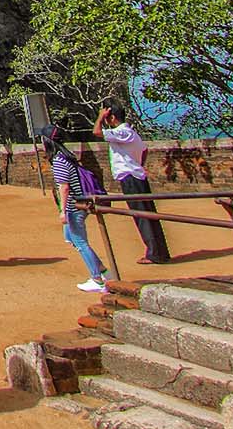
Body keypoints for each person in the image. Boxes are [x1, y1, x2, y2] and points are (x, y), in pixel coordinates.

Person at [97, 105, 171, 264]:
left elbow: (97, 132)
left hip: (131, 178)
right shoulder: (131, 133)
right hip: (136, 175)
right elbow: (144, 150)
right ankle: (159, 252)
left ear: (112, 118)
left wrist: (100, 117)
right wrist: (138, 164)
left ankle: (155, 254)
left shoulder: (123, 132)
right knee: (148, 214)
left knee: (142, 215)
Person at [40, 125, 109, 293]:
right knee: (70, 237)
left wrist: (63, 211)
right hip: (77, 204)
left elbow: (64, 187)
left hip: (74, 207)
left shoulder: (59, 160)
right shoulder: (67, 156)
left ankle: (98, 280)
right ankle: (103, 271)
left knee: (80, 242)